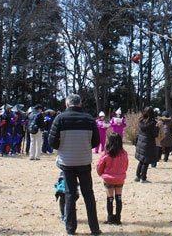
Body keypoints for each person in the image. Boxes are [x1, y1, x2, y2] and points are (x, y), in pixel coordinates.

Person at [48, 94, 102, 236]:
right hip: (84, 160)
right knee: (88, 195)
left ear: (67, 104)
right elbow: (96, 142)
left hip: (67, 162)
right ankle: (94, 229)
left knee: (70, 195)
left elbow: (52, 141)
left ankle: (70, 229)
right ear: (80, 103)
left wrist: (63, 146)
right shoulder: (89, 119)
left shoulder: (60, 118)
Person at [96, 132, 128, 225]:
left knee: (110, 198)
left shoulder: (106, 153)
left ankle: (110, 218)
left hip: (109, 179)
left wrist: (101, 174)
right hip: (120, 178)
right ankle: (117, 218)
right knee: (119, 197)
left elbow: (99, 166)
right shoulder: (124, 153)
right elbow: (126, 165)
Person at [134, 106, 159, 183]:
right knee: (146, 161)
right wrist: (157, 128)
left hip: (141, 142)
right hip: (148, 143)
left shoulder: (141, 120)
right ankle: (143, 178)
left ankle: (138, 176)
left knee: (141, 160)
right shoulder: (152, 123)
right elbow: (154, 135)